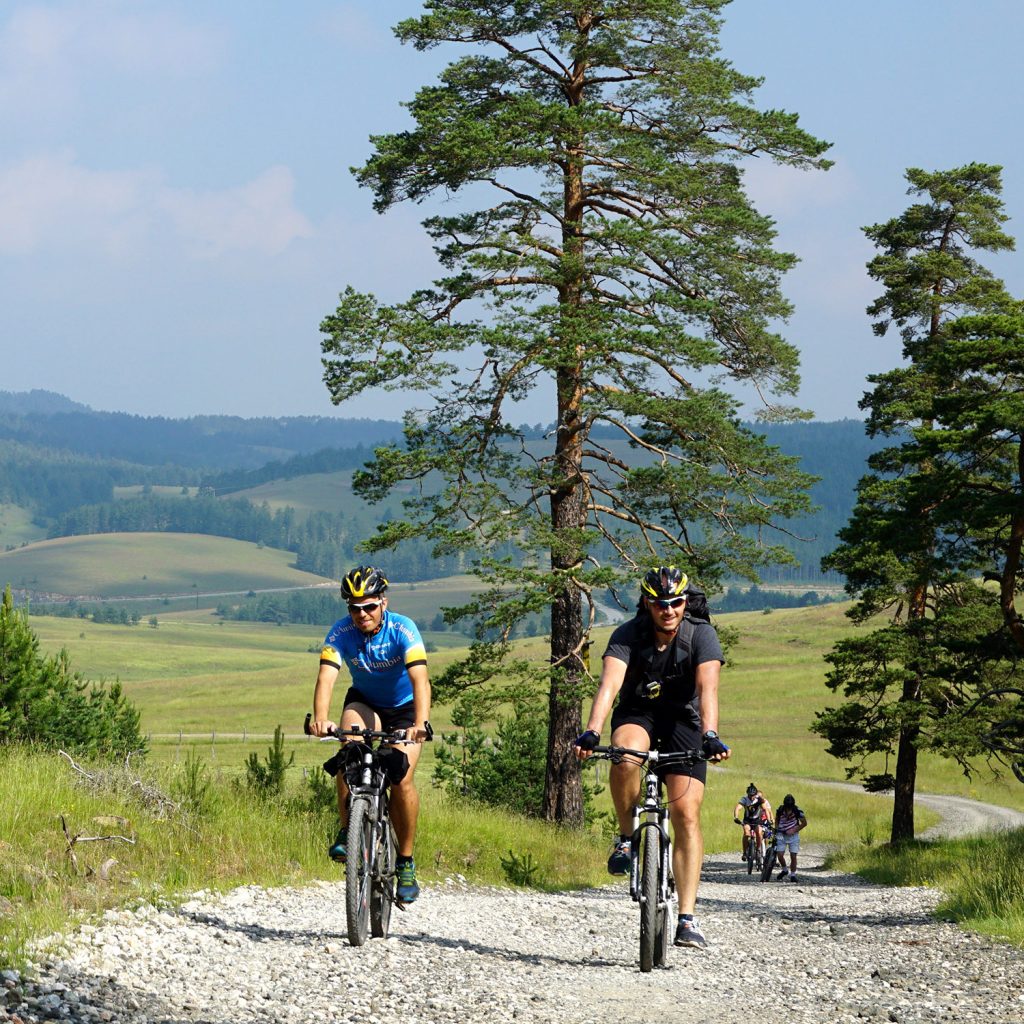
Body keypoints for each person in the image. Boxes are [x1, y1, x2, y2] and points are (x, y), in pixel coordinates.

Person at [575, 566, 729, 950]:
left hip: (684, 721)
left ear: (685, 602)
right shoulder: (627, 634)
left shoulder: (701, 634)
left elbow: (708, 689)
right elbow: (609, 685)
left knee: (686, 815)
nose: (668, 610)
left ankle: (687, 918)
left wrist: (710, 735)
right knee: (625, 757)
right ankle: (626, 838)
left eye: (676, 602)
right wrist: (592, 730)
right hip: (638, 714)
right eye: (660, 604)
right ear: (647, 603)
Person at [308, 565, 432, 904]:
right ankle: (348, 830)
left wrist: (420, 723)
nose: (362, 614)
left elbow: (420, 680)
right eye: (354, 608)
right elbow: (326, 678)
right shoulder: (340, 632)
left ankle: (405, 861)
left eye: (369, 606)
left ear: (383, 602)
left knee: (401, 779)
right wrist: (321, 719)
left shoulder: (403, 629)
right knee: (348, 753)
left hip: (405, 708)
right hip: (365, 702)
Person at [734, 782, 772, 864]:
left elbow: (765, 809)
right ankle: (744, 852)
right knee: (746, 834)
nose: (751, 797)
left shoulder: (759, 799)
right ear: (747, 794)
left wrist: (769, 820)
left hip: (757, 821)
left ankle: (758, 849)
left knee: (759, 832)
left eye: (753, 795)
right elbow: (738, 808)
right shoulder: (744, 799)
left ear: (756, 794)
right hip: (747, 821)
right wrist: (736, 817)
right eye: (750, 795)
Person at [773, 794, 807, 883]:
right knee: (779, 854)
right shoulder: (780, 810)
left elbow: (804, 823)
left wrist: (794, 830)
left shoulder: (797, 811)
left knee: (793, 856)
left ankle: (793, 875)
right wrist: (776, 829)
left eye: (790, 806)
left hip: (793, 836)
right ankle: (784, 870)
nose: (788, 808)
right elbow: (777, 819)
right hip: (781, 834)